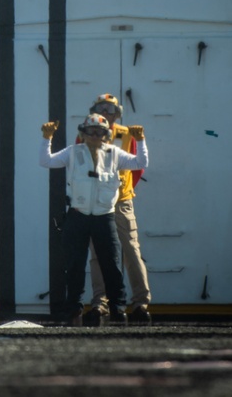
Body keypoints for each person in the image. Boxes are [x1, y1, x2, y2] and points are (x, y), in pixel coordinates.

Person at [39, 113, 148, 327]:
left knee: (112, 266)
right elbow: (46, 161)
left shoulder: (115, 154)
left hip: (104, 217)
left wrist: (141, 141)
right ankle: (73, 311)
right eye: (91, 131)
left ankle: (118, 309)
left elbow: (140, 162)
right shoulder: (73, 152)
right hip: (78, 217)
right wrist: (46, 138)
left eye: (100, 132)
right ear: (83, 133)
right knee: (75, 266)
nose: (95, 136)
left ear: (107, 135)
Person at [83, 94, 152, 326]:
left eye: (110, 109)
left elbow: (136, 168)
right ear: (94, 110)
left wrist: (124, 190)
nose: (106, 113)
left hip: (121, 201)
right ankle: (99, 303)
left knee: (131, 250)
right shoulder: (84, 133)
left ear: (117, 113)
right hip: (96, 204)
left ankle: (141, 302)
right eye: (101, 108)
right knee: (97, 256)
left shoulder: (127, 134)